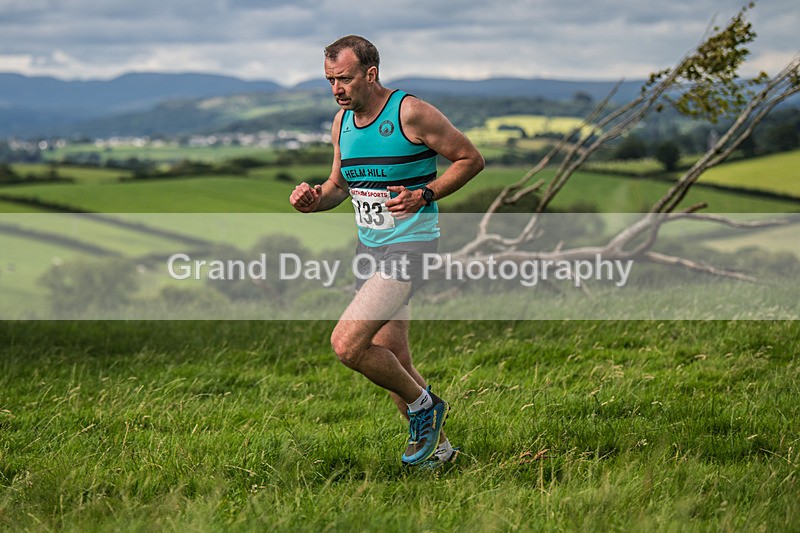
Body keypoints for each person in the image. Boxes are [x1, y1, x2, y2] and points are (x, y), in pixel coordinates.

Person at [289, 35, 484, 467]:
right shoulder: (342, 124)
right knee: (394, 360)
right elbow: (338, 187)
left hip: (410, 247)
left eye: (344, 79)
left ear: (370, 73)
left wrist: (424, 194)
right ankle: (444, 454)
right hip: (369, 251)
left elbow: (470, 159)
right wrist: (312, 199)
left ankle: (425, 407)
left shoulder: (409, 112)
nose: (336, 89)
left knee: (347, 346)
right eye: (330, 80)